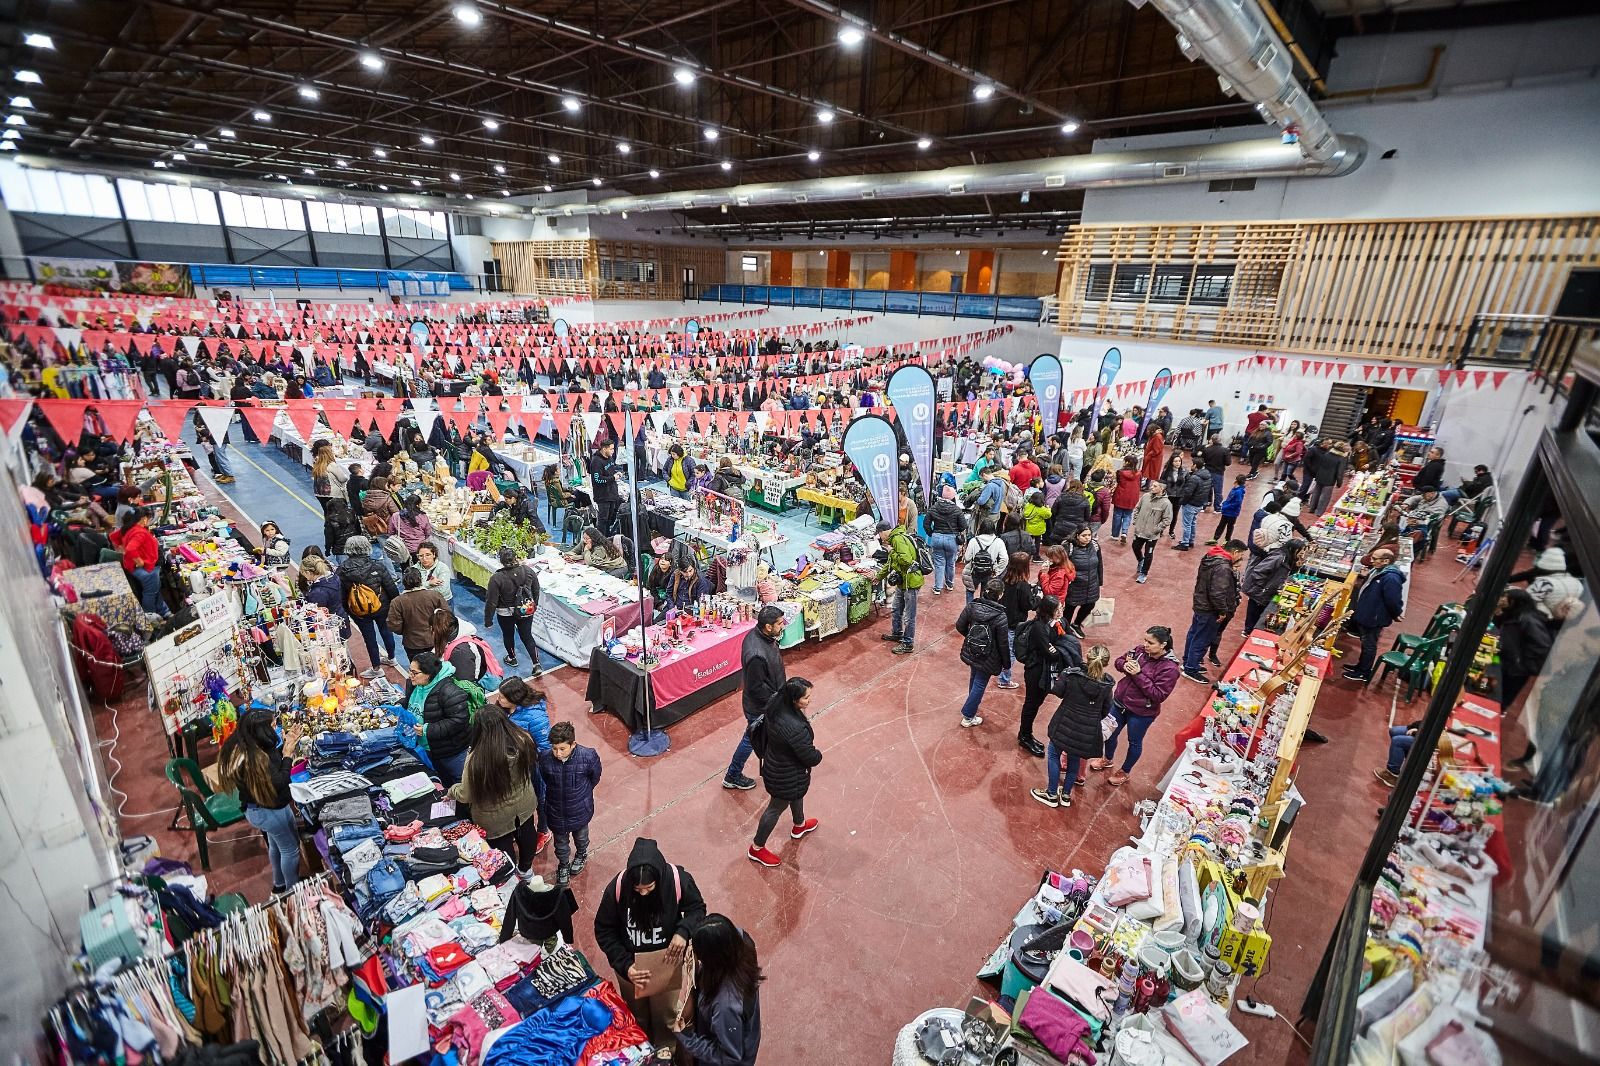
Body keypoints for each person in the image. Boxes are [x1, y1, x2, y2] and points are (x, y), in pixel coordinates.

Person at [593, 838, 707, 1048]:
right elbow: (604, 929)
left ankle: (665, 1052)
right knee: (637, 1015)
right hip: (631, 968)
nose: (643, 893)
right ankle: (643, 1049)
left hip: (667, 964)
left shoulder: (677, 881)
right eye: (637, 889)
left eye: (649, 887)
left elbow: (697, 909)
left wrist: (683, 932)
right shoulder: (617, 888)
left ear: (659, 877)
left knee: (666, 1015)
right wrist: (625, 965)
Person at [217, 708, 304, 894]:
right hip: (269, 812)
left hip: (258, 810)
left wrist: (285, 745)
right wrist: (288, 755)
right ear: (261, 731)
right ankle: (294, 892)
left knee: (276, 844)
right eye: (272, 725)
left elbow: (272, 766)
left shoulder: (248, 745)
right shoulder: (255, 759)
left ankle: (279, 885)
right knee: (291, 850)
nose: (276, 728)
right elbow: (279, 782)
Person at [448, 704, 541, 873]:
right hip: (524, 804)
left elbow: (466, 794)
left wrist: (452, 791)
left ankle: (511, 876)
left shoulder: (477, 758)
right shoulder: (523, 738)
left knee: (502, 850)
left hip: (494, 817)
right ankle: (526, 870)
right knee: (527, 834)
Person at [745, 678, 823, 868]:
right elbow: (811, 757)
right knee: (775, 808)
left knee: (796, 795)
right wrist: (818, 754)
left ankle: (799, 825)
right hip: (785, 775)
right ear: (794, 699)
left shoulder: (776, 704)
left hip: (777, 763)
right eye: (806, 698)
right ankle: (756, 848)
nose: (809, 701)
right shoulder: (794, 728)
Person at [1090, 626, 1180, 786]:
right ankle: (1108, 759)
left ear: (1163, 645)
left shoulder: (1170, 669)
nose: (1145, 645)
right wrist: (1124, 665)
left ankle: (1125, 771)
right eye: (1145, 640)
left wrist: (1137, 674)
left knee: (1134, 742)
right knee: (1109, 734)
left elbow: (1158, 695)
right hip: (1119, 703)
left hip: (1141, 713)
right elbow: (1119, 661)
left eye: (1150, 642)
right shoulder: (1139, 651)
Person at [671, 915, 763, 1066]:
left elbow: (730, 1057)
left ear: (713, 960)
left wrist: (687, 1037)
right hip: (743, 1034)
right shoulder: (742, 941)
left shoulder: (725, 1006)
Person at [1031, 645, 1112, 808]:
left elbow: (1058, 691)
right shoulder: (1107, 685)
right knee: (1074, 759)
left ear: (1087, 656)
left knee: (1053, 754)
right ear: (1106, 663)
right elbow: (1105, 710)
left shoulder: (1072, 675)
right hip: (1086, 731)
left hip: (1064, 723)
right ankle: (1066, 795)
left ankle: (1051, 794)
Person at [725, 605, 788, 792]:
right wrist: (776, 702)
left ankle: (773, 767)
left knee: (769, 737)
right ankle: (732, 775)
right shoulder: (756, 655)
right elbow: (756, 688)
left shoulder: (761, 637)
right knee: (751, 739)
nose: (783, 626)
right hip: (760, 707)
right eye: (779, 623)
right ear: (768, 627)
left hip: (770, 701)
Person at [1014, 596, 1082, 757]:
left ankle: (1026, 734)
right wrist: (1061, 649)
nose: (1061, 611)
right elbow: (1050, 653)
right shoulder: (1039, 627)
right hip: (1036, 671)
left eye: (1061, 607)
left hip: (1050, 670)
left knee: (1038, 702)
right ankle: (1024, 735)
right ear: (1049, 610)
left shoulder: (1061, 622)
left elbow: (1070, 640)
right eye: (1058, 609)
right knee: (1032, 704)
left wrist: (1058, 648)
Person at [537, 721, 602, 885]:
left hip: (580, 809)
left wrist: (582, 793)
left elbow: (594, 777)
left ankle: (581, 855)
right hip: (555, 810)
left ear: (573, 744)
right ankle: (563, 865)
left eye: (562, 749)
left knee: (581, 837)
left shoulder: (588, 757)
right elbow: (545, 778)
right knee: (560, 844)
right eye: (554, 748)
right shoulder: (544, 758)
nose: (557, 753)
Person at [1182, 540, 1246, 683]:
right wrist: (1222, 611)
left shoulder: (1211, 557)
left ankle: (1188, 662)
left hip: (1201, 603)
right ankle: (1190, 669)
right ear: (1235, 552)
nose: (1240, 557)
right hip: (1210, 609)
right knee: (1202, 638)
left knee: (1194, 634)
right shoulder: (1223, 567)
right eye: (1241, 554)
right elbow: (1217, 593)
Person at [405, 652, 472, 787]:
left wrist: (427, 729)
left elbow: (458, 720)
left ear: (429, 674)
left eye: (414, 672)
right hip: (426, 748)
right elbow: (411, 702)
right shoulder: (415, 684)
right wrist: (399, 705)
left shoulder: (450, 692)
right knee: (440, 778)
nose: (410, 675)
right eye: (410, 670)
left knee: (461, 782)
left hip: (450, 751)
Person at [954, 578, 1014, 728]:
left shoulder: (972, 606)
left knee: (974, 678)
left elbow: (960, 625)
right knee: (980, 683)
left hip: (973, 651)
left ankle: (972, 707)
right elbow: (1003, 644)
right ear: (1000, 594)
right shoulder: (1000, 616)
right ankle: (968, 715)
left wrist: (971, 638)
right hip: (989, 656)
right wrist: (1006, 664)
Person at [1342, 547, 1406, 683]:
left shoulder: (1391, 578)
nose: (1371, 561)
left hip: (1374, 618)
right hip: (1367, 613)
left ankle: (1364, 672)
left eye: (1375, 559)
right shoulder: (1378, 571)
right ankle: (1360, 667)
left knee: (1369, 645)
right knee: (1365, 643)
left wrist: (1396, 613)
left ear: (1386, 561)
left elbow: (1393, 599)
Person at [337, 536, 398, 676]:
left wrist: (349, 612)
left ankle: (376, 668)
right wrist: (394, 606)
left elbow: (342, 596)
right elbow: (391, 588)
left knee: (369, 638)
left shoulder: (342, 571)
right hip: (382, 606)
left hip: (359, 611)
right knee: (386, 631)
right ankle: (392, 658)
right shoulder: (378, 566)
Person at [484, 547, 542, 672]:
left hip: (505, 613)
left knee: (508, 635)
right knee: (527, 636)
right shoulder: (527, 570)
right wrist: (534, 604)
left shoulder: (496, 578)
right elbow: (536, 589)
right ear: (516, 558)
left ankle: (512, 658)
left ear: (501, 561)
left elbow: (491, 601)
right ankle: (536, 664)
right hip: (525, 609)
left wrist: (488, 620)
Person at [1496, 589, 1555, 708]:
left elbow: (1542, 645)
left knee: (1504, 696)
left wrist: (1521, 661)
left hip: (1517, 669)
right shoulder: (1514, 614)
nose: (1502, 599)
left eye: (1506, 597)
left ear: (1515, 601)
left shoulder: (1528, 619)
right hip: (1508, 663)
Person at [876, 518, 923, 655]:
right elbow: (890, 564)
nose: (880, 537)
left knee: (909, 615)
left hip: (911, 583)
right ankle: (897, 633)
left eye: (879, 534)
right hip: (903, 582)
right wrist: (878, 577)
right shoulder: (894, 539)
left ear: (883, 532)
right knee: (896, 609)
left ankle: (908, 643)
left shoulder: (897, 539)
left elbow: (906, 560)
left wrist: (891, 552)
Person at [1241, 537, 1306, 635]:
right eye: (1301, 551)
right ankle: (1248, 632)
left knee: (1259, 614)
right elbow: (1259, 571)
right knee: (1254, 614)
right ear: (1295, 549)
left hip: (1267, 592)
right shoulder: (1279, 557)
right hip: (1260, 593)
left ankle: (1251, 631)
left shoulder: (1288, 558)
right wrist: (1263, 588)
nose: (1302, 553)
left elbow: (1286, 572)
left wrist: (1297, 566)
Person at [111, 508, 170, 616]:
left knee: (155, 589)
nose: (148, 521)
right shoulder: (139, 532)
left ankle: (164, 611)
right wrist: (139, 561)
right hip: (147, 568)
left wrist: (122, 549)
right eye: (148, 518)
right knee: (150, 592)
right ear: (143, 519)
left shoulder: (128, 528)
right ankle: (151, 617)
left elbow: (114, 537)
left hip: (138, 566)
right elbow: (130, 549)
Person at [387, 567, 450, 661]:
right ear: (420, 580)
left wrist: (406, 632)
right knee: (437, 667)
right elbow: (447, 616)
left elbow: (393, 625)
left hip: (412, 643)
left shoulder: (397, 602)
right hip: (435, 640)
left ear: (404, 582)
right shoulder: (434, 595)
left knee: (418, 667)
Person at [995, 552, 1035, 690]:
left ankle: (998, 670)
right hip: (1013, 623)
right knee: (1010, 652)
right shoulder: (1023, 586)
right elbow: (1029, 605)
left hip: (1000, 619)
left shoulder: (1003, 579)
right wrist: (1037, 597)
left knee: (1000, 647)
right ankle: (1004, 679)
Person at [1061, 524, 1103, 635]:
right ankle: (1065, 628)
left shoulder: (1095, 545)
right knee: (1070, 608)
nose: (1087, 538)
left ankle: (1076, 624)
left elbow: (1099, 564)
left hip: (1091, 584)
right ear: (1077, 535)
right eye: (1084, 535)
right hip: (1074, 585)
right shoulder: (1068, 546)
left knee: (1090, 605)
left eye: (1089, 535)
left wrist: (1100, 582)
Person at [1128, 481, 1172, 585]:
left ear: (1161, 489)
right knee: (1135, 547)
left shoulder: (1166, 503)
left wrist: (1156, 529)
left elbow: (1167, 520)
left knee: (1149, 554)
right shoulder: (1145, 497)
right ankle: (1141, 560)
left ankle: (1143, 573)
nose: (1152, 487)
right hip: (1139, 531)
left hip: (1151, 535)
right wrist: (1136, 521)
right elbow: (1137, 508)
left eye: (1155, 486)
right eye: (1152, 485)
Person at [924, 485, 965, 594]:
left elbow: (926, 524)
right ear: (952, 497)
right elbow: (963, 526)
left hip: (937, 537)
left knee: (939, 563)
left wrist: (932, 533)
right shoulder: (957, 510)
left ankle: (937, 587)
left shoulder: (934, 508)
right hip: (952, 539)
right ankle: (949, 584)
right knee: (951, 563)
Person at [962, 518, 1007, 604]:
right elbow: (1004, 559)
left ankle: (969, 608)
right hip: (990, 572)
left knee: (970, 591)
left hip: (974, 572)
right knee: (986, 593)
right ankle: (982, 608)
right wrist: (997, 571)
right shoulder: (998, 542)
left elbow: (967, 558)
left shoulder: (974, 541)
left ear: (981, 528)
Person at [1173, 457, 1213, 551]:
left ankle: (1185, 543)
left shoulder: (1194, 478)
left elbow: (1188, 492)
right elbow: (1209, 490)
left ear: (1195, 465)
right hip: (1199, 504)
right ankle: (1190, 540)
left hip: (1191, 504)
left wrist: (1182, 502)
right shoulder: (1208, 476)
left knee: (1187, 524)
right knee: (1193, 523)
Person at [589, 437, 624, 536]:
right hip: (603, 496)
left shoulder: (610, 458)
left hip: (612, 493)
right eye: (611, 449)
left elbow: (611, 471)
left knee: (610, 518)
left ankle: (607, 538)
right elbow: (597, 479)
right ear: (604, 449)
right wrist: (613, 478)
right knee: (603, 520)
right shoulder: (596, 461)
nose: (613, 451)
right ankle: (600, 539)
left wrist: (616, 474)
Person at [1374, 721, 1421, 788]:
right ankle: (1409, 762)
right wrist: (1417, 727)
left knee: (1397, 741)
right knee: (1394, 731)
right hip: (1422, 729)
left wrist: (1417, 732)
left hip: (1425, 737)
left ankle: (1392, 775)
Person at [311, 444, 350, 517]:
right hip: (332, 494)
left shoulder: (317, 464)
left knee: (327, 512)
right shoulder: (331, 465)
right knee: (338, 515)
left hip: (319, 493)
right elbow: (343, 478)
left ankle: (328, 524)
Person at [1110, 456, 1140, 542]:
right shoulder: (1138, 473)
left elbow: (1118, 482)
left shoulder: (1120, 472)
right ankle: (1124, 532)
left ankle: (1115, 535)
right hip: (1132, 496)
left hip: (1121, 495)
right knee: (1128, 515)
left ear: (1127, 462)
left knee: (1117, 515)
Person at [1211, 474, 1246, 545]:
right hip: (1227, 511)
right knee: (1221, 525)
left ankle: (1227, 540)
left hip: (1232, 512)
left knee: (1229, 526)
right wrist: (1225, 504)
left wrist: (1226, 506)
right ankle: (1215, 538)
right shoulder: (1235, 489)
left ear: (1236, 481)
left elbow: (1237, 503)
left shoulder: (1238, 491)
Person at [1199, 433, 1232, 510]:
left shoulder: (1207, 449)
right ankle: (1217, 508)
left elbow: (1202, 460)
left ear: (1212, 440)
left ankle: (1203, 506)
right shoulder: (1225, 450)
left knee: (1206, 489)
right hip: (1218, 472)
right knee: (1218, 491)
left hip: (1207, 471)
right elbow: (1228, 463)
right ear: (1220, 440)